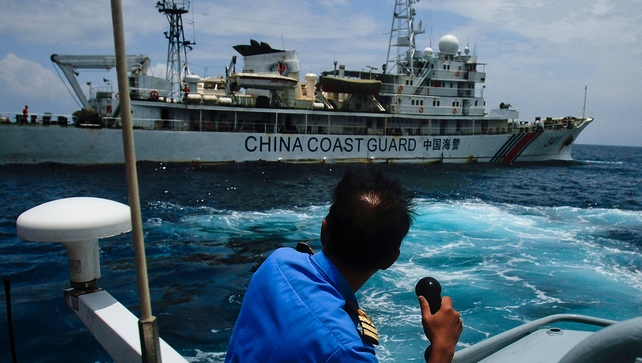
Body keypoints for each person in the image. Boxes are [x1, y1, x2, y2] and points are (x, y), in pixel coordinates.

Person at [225, 167, 462, 363]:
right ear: (389, 259)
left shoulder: (277, 261)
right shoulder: (347, 351)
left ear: (324, 229)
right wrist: (442, 348)